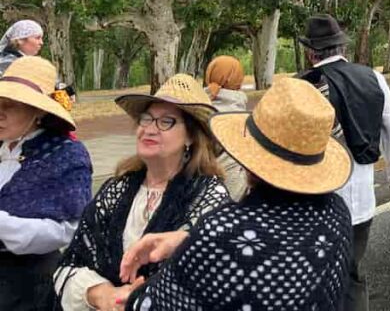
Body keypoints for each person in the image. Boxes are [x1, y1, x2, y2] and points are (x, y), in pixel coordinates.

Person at [120, 77, 354, 311]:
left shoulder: (223, 229)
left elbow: (152, 305)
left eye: (167, 122)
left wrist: (132, 295)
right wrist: (187, 240)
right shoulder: (338, 215)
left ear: (249, 158)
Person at [54, 74, 229, 311]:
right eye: (146, 119)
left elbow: (216, 276)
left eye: (166, 121)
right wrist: (102, 294)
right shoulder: (117, 189)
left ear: (190, 136)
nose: (149, 129)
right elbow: (70, 264)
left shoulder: (209, 196)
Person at [298, 13, 390, 311]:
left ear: (311, 53)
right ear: (342, 49)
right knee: (352, 274)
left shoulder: (304, 86)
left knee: (312, 275)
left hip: (314, 202)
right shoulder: (374, 77)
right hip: (360, 201)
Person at [0, 56, 92, 310]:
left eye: (10, 105)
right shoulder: (4, 146)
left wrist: (3, 225)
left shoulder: (65, 155)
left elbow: (68, 229)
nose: (0, 112)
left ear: (38, 110)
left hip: (27, 286)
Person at [204, 55, 249, 200]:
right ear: (237, 79)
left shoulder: (200, 108)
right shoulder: (242, 114)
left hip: (201, 185)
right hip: (234, 186)